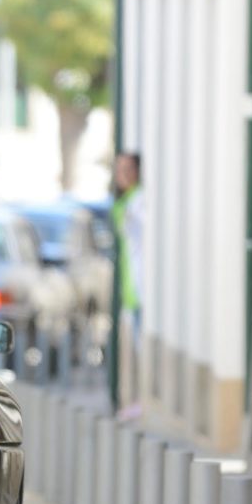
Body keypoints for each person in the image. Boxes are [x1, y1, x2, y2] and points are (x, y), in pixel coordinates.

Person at [111, 152, 144, 417]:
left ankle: (139, 400)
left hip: (140, 288)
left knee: (140, 348)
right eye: (118, 168)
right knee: (133, 348)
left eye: (128, 168)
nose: (122, 173)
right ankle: (135, 400)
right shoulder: (126, 202)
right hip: (130, 288)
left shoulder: (138, 202)